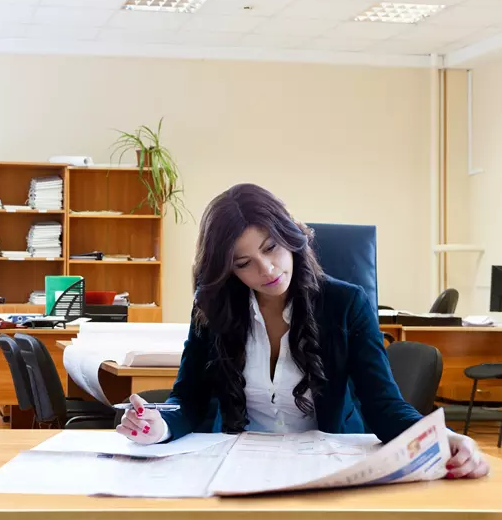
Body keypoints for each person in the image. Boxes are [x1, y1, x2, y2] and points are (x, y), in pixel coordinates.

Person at [116, 183, 489, 480]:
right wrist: (159, 423)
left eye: (272, 248)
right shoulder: (213, 308)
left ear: (291, 236)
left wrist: (448, 439)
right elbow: (189, 398)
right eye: (244, 263)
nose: (266, 269)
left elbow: (384, 407)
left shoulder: (347, 304)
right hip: (237, 468)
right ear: (229, 271)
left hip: (328, 466)